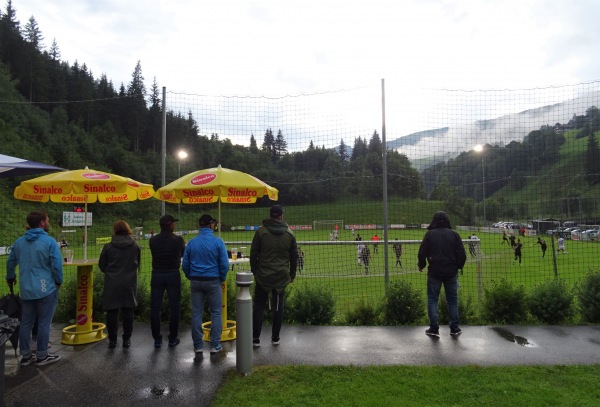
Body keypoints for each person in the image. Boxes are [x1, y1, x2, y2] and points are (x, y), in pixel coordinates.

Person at [6, 211, 63, 366]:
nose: (49, 222)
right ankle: (42, 355)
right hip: (46, 288)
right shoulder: (49, 242)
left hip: (26, 289)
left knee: (26, 323)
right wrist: (58, 281)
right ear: (42, 223)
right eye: (48, 220)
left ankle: (25, 355)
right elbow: (57, 265)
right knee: (44, 322)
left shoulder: (19, 242)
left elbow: (10, 263)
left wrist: (10, 277)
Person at [250, 205, 298, 347]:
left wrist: (255, 271)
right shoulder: (290, 234)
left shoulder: (261, 232)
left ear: (270, 215)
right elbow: (294, 256)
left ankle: (255, 338)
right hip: (281, 277)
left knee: (259, 306)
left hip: (263, 276)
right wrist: (292, 274)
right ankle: (275, 337)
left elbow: (253, 254)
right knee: (278, 307)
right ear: (282, 216)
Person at [183, 214, 229, 355]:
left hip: (196, 280)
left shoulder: (191, 243)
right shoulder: (218, 242)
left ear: (200, 226)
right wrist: (222, 278)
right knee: (216, 313)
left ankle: (198, 345)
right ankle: (215, 345)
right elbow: (224, 264)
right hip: (213, 280)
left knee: (197, 312)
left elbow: (185, 264)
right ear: (211, 225)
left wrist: (190, 276)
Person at [418, 211, 466, 337]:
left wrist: (421, 265)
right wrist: (458, 266)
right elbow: (462, 253)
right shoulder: (454, 234)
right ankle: (454, 328)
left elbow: (422, 252)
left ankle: (434, 328)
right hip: (451, 271)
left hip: (434, 271)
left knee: (432, 299)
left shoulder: (429, 235)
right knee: (452, 300)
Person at [99, 220, 141, 349]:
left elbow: (102, 265)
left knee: (112, 311)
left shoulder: (108, 247)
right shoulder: (135, 246)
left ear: (115, 230)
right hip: (129, 282)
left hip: (112, 282)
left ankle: (112, 340)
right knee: (128, 310)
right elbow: (137, 263)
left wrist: (111, 272)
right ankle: (126, 339)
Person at [149, 215, 186, 348]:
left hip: (157, 274)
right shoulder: (178, 240)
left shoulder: (153, 240)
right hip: (172, 274)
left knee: (155, 308)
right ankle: (172, 338)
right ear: (170, 225)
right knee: (175, 307)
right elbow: (183, 254)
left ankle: (157, 339)